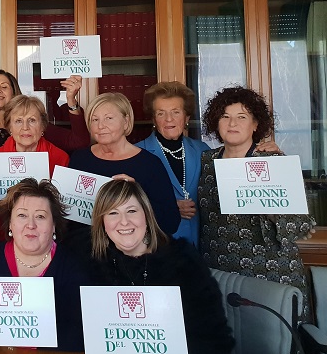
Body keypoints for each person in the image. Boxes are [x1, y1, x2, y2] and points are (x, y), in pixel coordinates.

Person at [198, 85, 315, 316]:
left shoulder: (274, 161)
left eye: (242, 117)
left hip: (270, 273)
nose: (232, 123)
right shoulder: (206, 160)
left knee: (276, 335)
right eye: (225, 117)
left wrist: (273, 211)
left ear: (255, 124)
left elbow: (303, 225)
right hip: (219, 271)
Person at [89, 178, 234, 354]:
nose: (124, 222)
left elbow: (214, 338)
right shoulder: (95, 264)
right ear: (102, 222)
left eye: (132, 211)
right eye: (113, 213)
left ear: (147, 215)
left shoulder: (183, 260)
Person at [0, 178, 87, 351]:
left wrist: (24, 338)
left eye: (40, 216)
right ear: (10, 223)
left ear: (54, 225)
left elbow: (80, 333)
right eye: (22, 215)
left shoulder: (74, 267)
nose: (31, 225)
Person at [68, 92, 180, 236]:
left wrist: (136, 195)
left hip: (132, 246)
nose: (100, 126)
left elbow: (171, 222)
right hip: (86, 246)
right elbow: (67, 217)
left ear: (126, 121)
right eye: (95, 119)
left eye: (109, 118)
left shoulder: (149, 164)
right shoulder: (79, 159)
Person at [0, 70, 89, 182]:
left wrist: (71, 100)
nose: (25, 128)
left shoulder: (38, 127)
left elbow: (79, 142)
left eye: (4, 86)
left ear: (14, 92)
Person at [0, 95, 69, 237]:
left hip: (43, 235)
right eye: (18, 121)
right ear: (9, 127)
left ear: (43, 125)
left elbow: (63, 209)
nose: (25, 127)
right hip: (1, 233)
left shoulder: (59, 158)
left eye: (32, 120)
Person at [135, 82, 211, 246]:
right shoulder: (137, 153)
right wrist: (167, 207)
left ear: (186, 117)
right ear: (154, 119)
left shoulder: (202, 150)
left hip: (199, 244)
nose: (169, 119)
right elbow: (127, 203)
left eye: (176, 112)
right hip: (159, 245)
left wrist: (258, 151)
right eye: (161, 113)